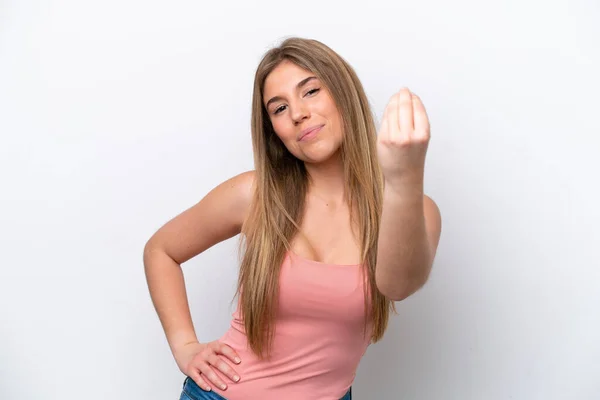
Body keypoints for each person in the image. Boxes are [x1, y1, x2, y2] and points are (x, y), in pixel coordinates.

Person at [143, 37, 442, 400]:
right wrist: (185, 345)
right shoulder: (255, 196)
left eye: (311, 91)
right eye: (279, 108)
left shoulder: (410, 208)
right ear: (274, 131)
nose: (297, 113)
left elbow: (398, 286)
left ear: (344, 93)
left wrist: (405, 177)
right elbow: (161, 250)